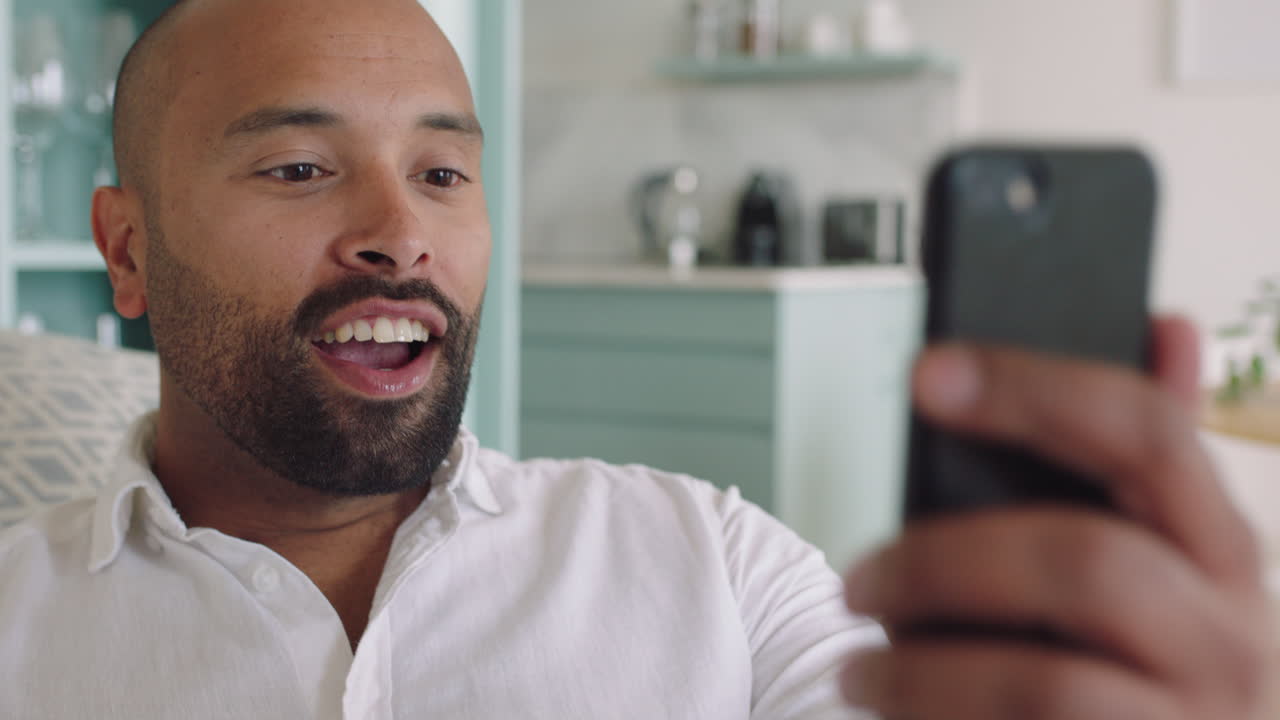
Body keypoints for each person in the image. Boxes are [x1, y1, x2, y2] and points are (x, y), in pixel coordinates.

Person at [0, 0, 1272, 717]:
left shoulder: (717, 567)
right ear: (128, 251)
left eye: (444, 173)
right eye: (298, 169)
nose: (401, 236)